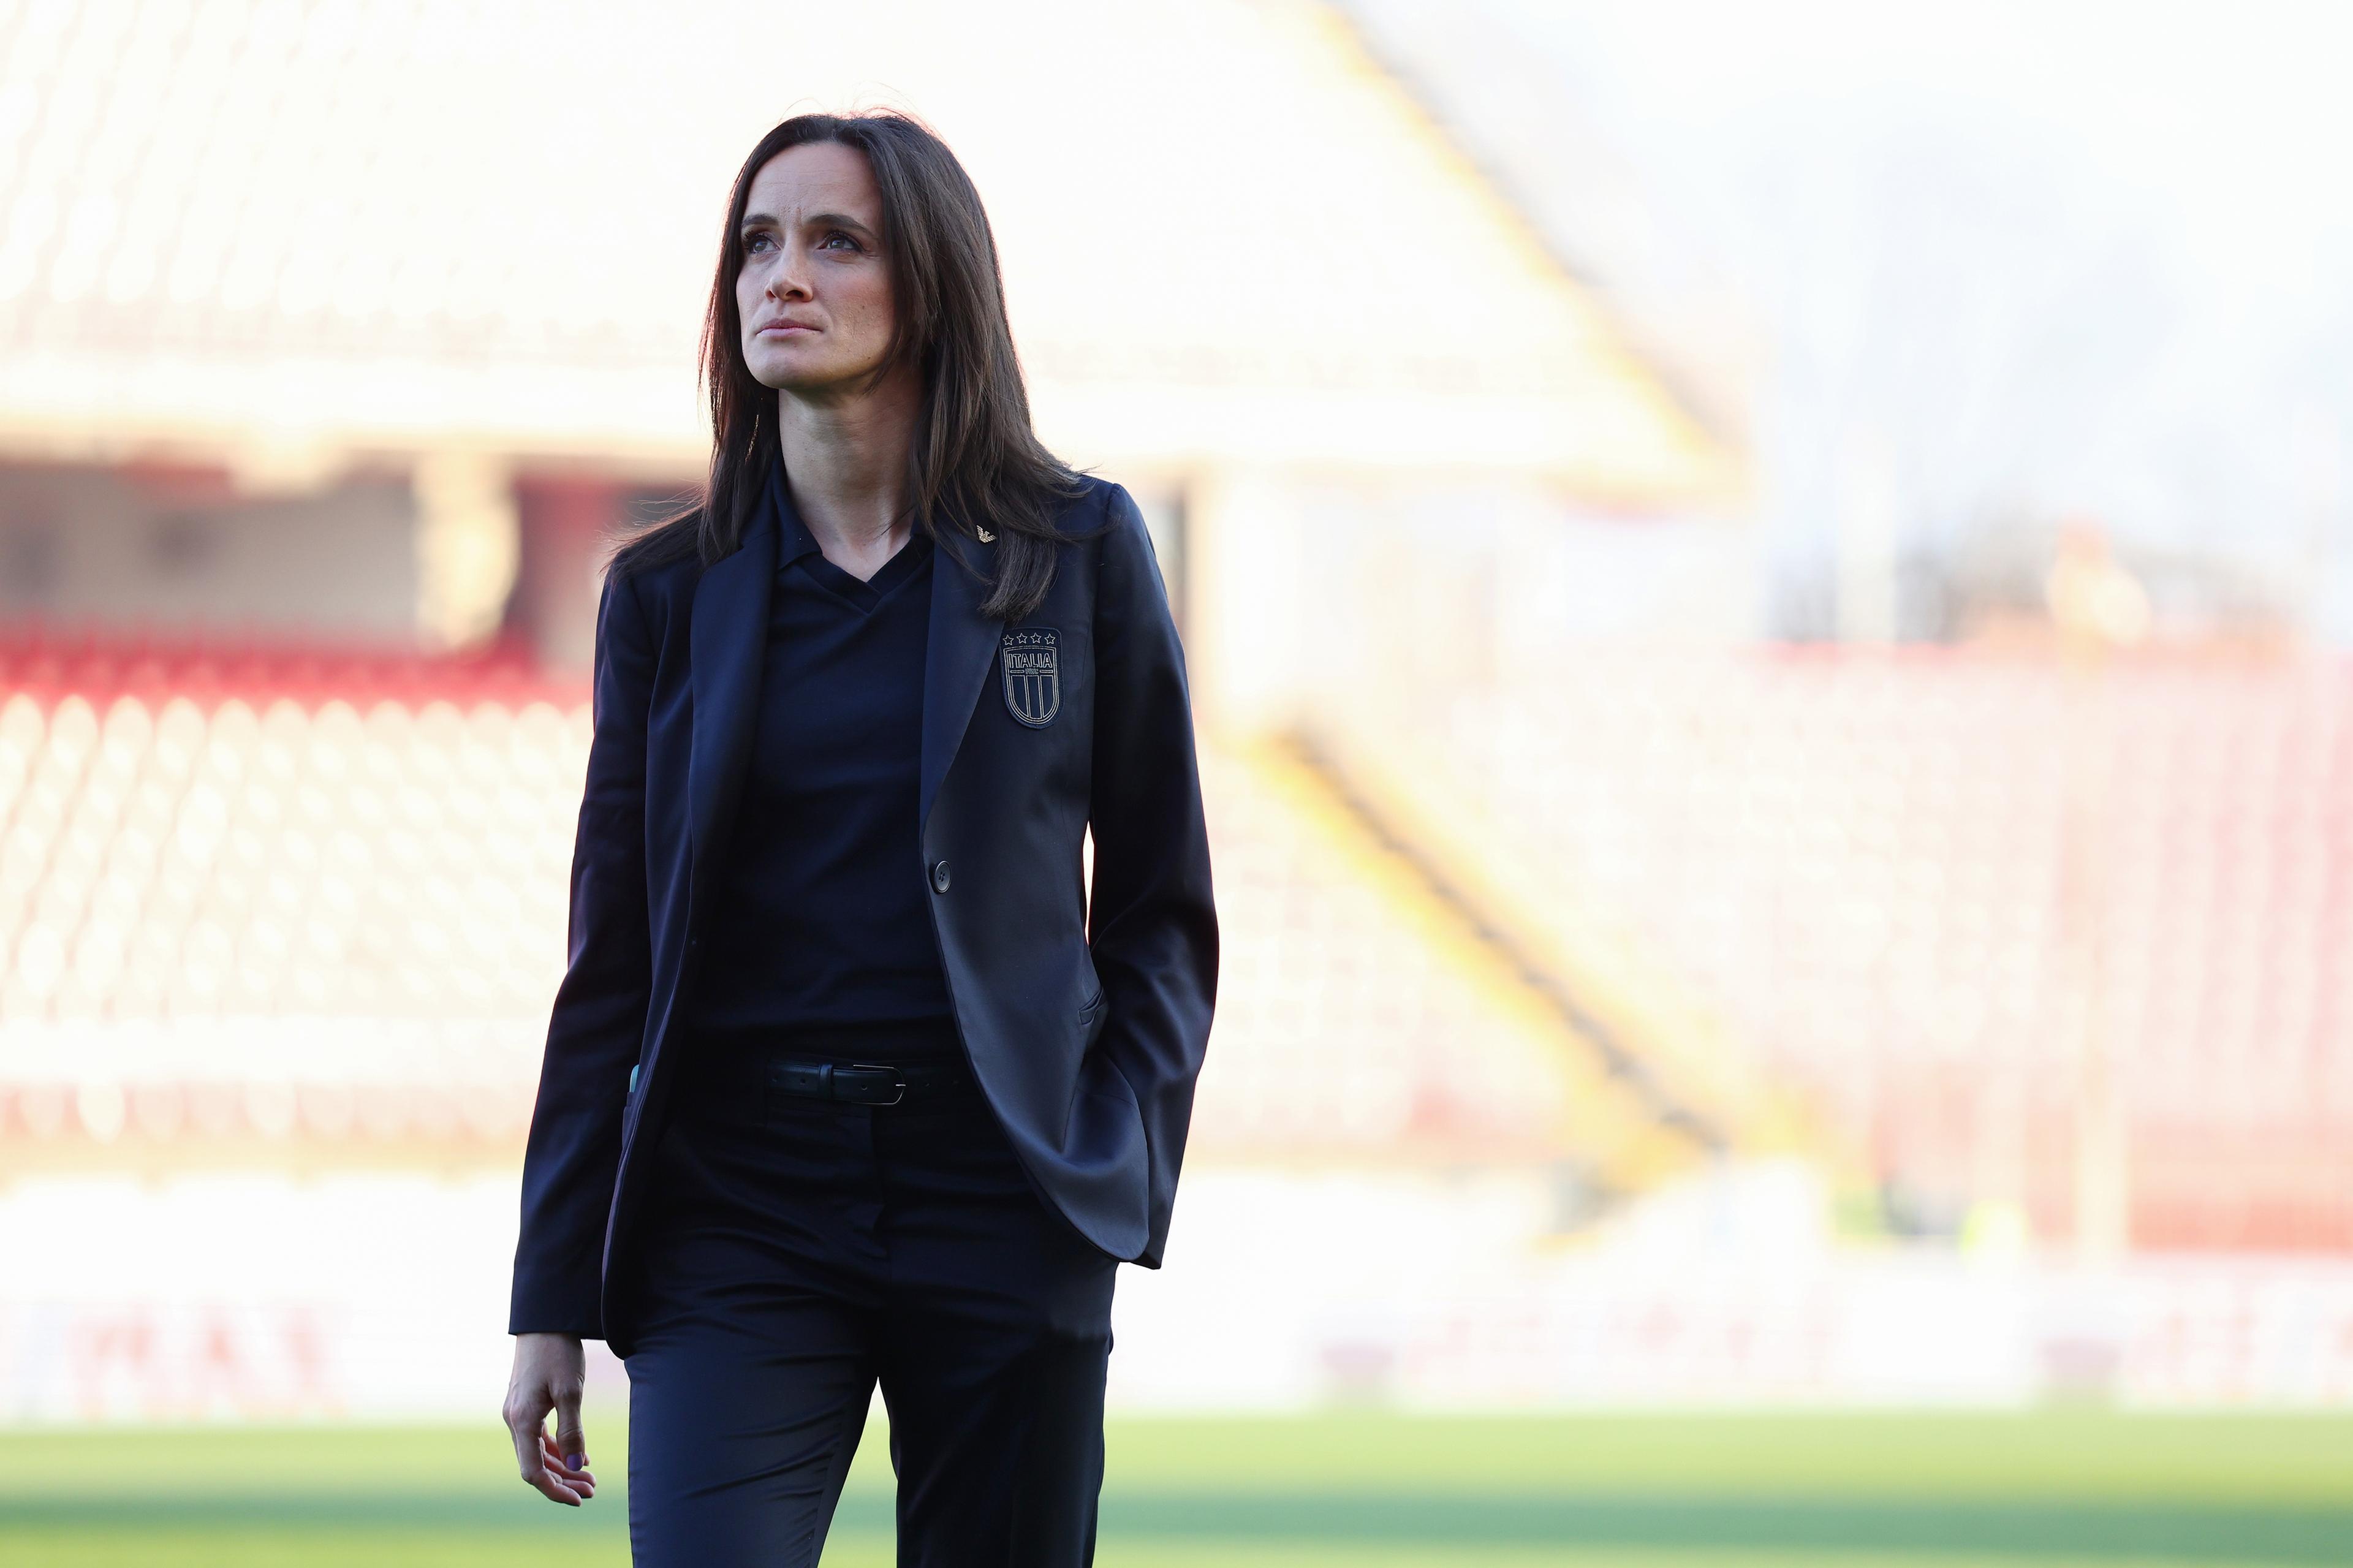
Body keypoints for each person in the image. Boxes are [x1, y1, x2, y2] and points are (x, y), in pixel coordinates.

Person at [497, 110, 1217, 1566]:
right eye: (758, 243)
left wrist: (1110, 1161)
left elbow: (1161, 910)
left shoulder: (1080, 553)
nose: (785, 275)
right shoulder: (663, 597)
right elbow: (610, 964)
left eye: (837, 241)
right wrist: (548, 1290)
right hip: (737, 1206)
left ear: (932, 282)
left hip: (1002, 1191)